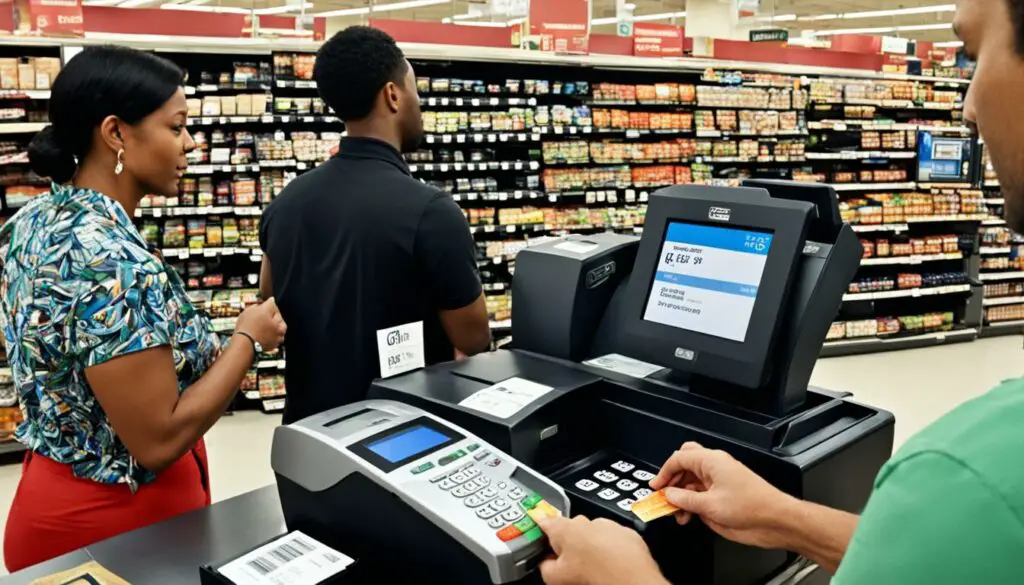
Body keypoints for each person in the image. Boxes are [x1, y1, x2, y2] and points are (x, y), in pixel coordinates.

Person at [537, 1, 1024, 583]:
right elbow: (939, 564)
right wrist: (784, 517)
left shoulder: (970, 476)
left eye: (972, 54)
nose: (967, 105)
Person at [0, 46, 287, 571]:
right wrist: (247, 339)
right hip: (123, 531)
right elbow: (157, 440)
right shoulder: (110, 262)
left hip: (48, 498)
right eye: (176, 127)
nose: (191, 144)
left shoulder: (34, 218)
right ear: (115, 133)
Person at [259, 26, 491, 424]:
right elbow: (474, 339)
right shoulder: (432, 212)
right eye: (414, 88)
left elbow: (269, 301)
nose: (419, 103)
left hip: (308, 437)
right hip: (404, 437)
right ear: (393, 94)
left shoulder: (286, 203)